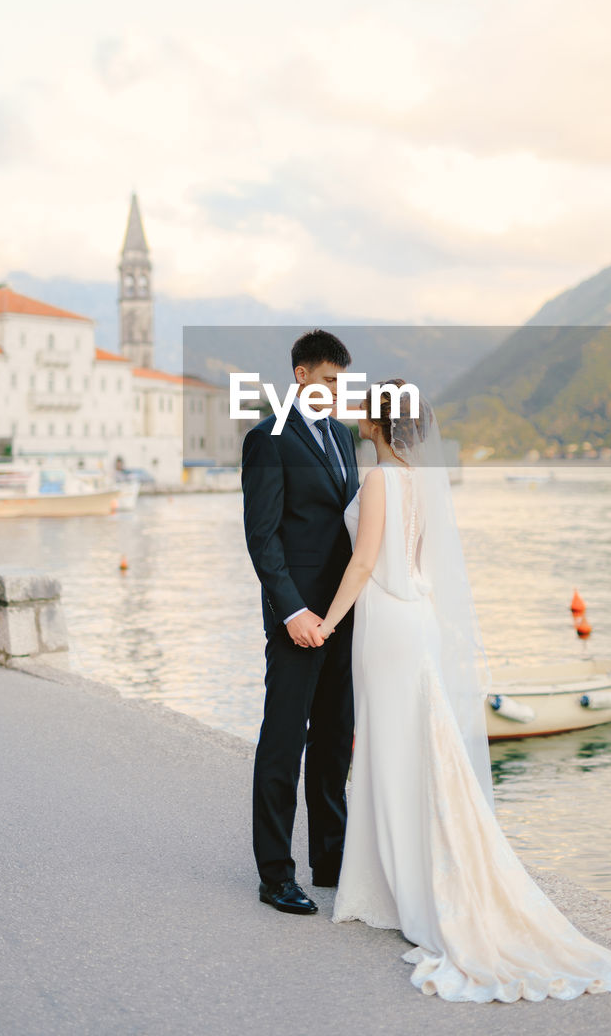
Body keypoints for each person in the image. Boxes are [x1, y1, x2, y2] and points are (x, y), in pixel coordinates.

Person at [316, 380, 611, 1002]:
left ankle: (392, 886)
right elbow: (419, 560)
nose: (358, 413)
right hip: (416, 616)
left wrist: (327, 620)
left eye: (366, 407)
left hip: (387, 623)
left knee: (390, 747)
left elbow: (364, 561)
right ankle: (408, 878)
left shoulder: (377, 482)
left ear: (379, 422)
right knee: (418, 745)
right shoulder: (422, 481)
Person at [241, 329, 360, 915]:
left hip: (343, 616)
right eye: (328, 381)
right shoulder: (267, 439)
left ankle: (331, 861)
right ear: (300, 377)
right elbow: (262, 538)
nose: (336, 393)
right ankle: (275, 873)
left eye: (343, 382)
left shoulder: (343, 438)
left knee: (336, 743)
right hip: (297, 619)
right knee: (285, 744)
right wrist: (291, 610)